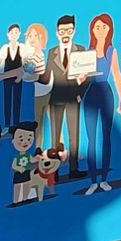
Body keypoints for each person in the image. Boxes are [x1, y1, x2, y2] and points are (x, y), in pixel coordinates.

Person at [80, 12, 119, 193]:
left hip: (106, 93)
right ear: (92, 30)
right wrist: (80, 78)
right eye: (97, 27)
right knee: (91, 139)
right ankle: (93, 181)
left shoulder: (112, 51)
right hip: (91, 94)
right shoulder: (87, 53)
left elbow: (117, 76)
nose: (101, 30)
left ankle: (104, 179)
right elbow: (82, 78)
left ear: (110, 29)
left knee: (106, 137)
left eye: (104, 26)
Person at [46, 15, 86, 177]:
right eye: (62, 31)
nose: (65, 34)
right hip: (56, 98)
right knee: (55, 136)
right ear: (57, 33)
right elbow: (47, 76)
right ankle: (54, 171)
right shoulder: (52, 52)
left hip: (73, 98)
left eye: (69, 30)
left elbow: (88, 76)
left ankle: (74, 169)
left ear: (74, 31)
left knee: (74, 135)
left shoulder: (80, 50)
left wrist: (81, 92)